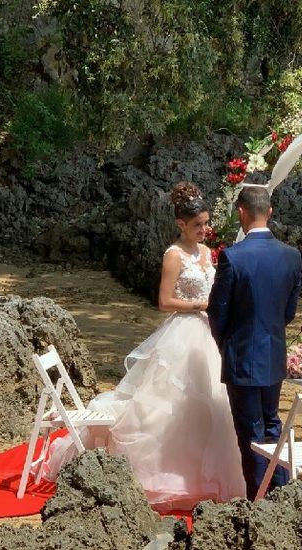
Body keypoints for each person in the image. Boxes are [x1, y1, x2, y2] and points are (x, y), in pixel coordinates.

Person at [37, 181, 245, 510]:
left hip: (208, 334)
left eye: (206, 223)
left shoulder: (207, 253)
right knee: (169, 402)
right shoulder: (173, 255)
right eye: (197, 225)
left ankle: (206, 474)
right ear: (181, 225)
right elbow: (164, 301)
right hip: (184, 329)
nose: (205, 229)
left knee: (212, 401)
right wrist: (200, 306)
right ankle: (165, 474)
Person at [207, 185, 302, 500]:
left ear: (241, 213)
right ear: (270, 212)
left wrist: (228, 345)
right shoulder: (291, 255)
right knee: (272, 425)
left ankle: (258, 500)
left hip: (241, 354)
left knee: (251, 432)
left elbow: (217, 313)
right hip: (274, 352)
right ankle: (281, 494)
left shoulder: (232, 257)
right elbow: (289, 311)